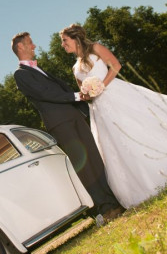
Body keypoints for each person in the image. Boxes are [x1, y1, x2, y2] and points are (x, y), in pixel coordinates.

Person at [59, 24, 167, 208]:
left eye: (64, 40)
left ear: (75, 38)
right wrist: (86, 94)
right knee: (117, 143)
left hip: (117, 94)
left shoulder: (96, 48)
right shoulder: (75, 67)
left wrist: (101, 86)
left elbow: (115, 65)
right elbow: (83, 92)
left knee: (144, 124)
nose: (63, 45)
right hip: (100, 109)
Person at [11, 32, 124, 221]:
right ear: (20, 47)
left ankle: (114, 200)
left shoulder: (39, 70)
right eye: (30, 43)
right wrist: (77, 96)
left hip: (73, 115)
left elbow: (56, 89)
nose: (34, 46)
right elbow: (45, 93)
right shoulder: (20, 75)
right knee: (85, 166)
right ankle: (106, 209)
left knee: (94, 157)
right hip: (60, 123)